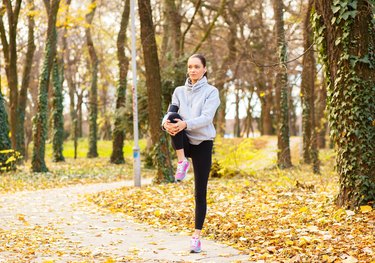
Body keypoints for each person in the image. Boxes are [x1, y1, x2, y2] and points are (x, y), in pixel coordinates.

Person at [161, 54, 220, 253]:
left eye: (196, 67)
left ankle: (196, 236)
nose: (192, 70)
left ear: (204, 69)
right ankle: (181, 161)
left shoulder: (211, 92)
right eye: (190, 67)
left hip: (203, 142)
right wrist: (165, 123)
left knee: (200, 192)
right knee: (173, 118)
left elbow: (206, 118)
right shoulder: (179, 91)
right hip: (184, 140)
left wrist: (185, 123)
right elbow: (171, 112)